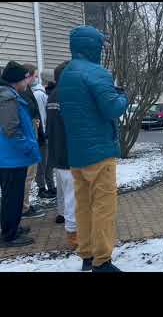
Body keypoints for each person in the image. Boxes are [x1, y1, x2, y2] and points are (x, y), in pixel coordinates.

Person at [58, 25, 128, 272]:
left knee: (84, 205)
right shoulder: (97, 73)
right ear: (92, 46)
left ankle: (87, 254)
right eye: (100, 44)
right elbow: (112, 109)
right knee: (103, 207)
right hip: (99, 152)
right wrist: (123, 97)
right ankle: (102, 261)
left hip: (77, 153)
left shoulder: (66, 74)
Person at [0, 61, 41, 247]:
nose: (28, 81)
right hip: (12, 158)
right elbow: (11, 130)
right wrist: (28, 147)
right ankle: (9, 235)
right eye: (26, 78)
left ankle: (12, 226)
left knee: (12, 196)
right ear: (17, 80)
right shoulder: (8, 99)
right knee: (12, 197)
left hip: (11, 156)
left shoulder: (9, 95)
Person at [47, 61, 77, 248]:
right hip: (68, 154)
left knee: (62, 193)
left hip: (57, 153)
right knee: (72, 196)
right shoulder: (67, 95)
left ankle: (64, 217)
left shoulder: (52, 96)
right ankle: (74, 235)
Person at [18, 66, 47, 219]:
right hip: (28, 139)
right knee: (28, 175)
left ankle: (25, 204)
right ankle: (23, 207)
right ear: (28, 76)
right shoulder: (21, 93)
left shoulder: (26, 91)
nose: (36, 79)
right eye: (34, 76)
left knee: (29, 175)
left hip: (32, 137)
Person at [26, 66, 56, 200]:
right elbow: (42, 115)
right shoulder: (39, 94)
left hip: (44, 132)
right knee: (43, 163)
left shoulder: (40, 93)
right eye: (35, 75)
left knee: (48, 161)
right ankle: (43, 187)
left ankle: (50, 186)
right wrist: (44, 132)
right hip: (43, 133)